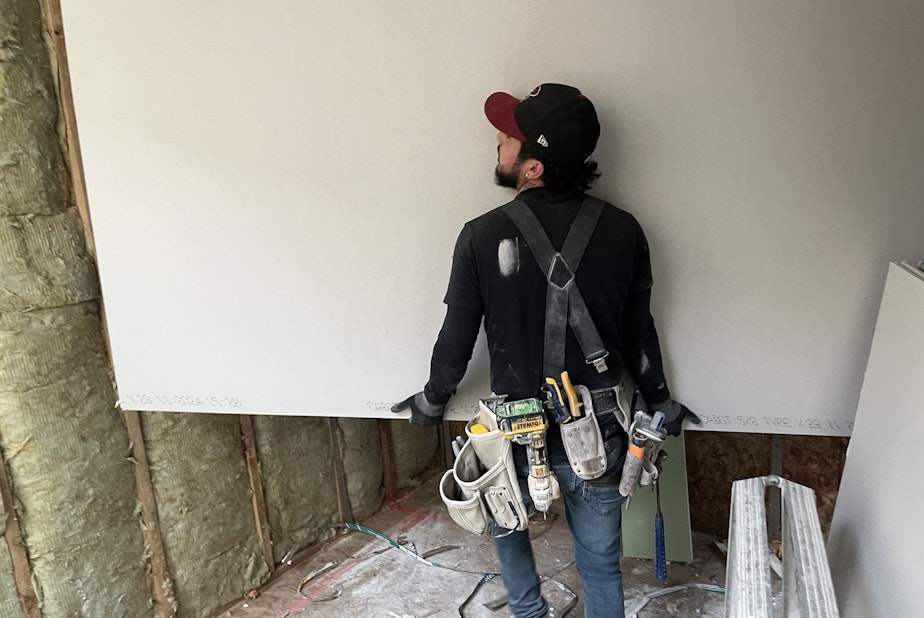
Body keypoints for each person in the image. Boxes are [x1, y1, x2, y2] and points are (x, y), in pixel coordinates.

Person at [392, 83, 700, 618]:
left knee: (509, 535)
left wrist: (432, 400)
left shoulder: (481, 236)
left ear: (533, 167)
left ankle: (530, 612)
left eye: (508, 137)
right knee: (599, 561)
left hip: (514, 431)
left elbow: (457, 338)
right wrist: (661, 401)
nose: (498, 141)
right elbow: (638, 332)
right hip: (600, 433)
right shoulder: (624, 232)